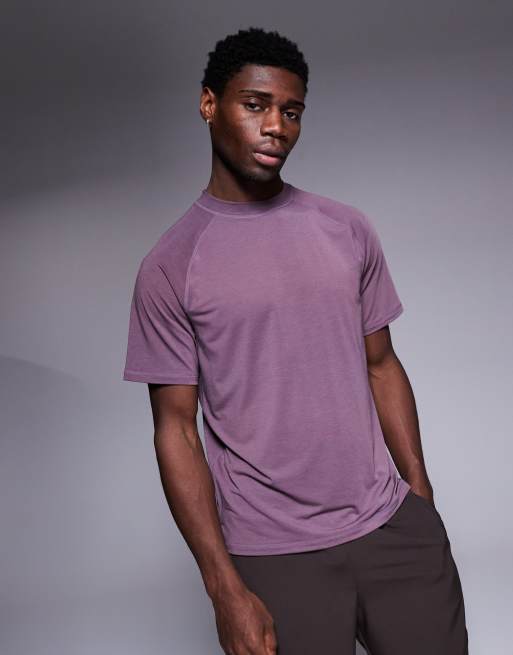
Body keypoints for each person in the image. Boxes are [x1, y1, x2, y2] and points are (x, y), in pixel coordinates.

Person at [122, 26, 469, 655]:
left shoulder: (346, 229)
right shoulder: (171, 265)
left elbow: (382, 365)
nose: (275, 126)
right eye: (255, 105)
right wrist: (224, 588)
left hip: (393, 533)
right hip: (274, 556)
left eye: (291, 111)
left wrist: (421, 499)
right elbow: (175, 429)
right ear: (209, 104)